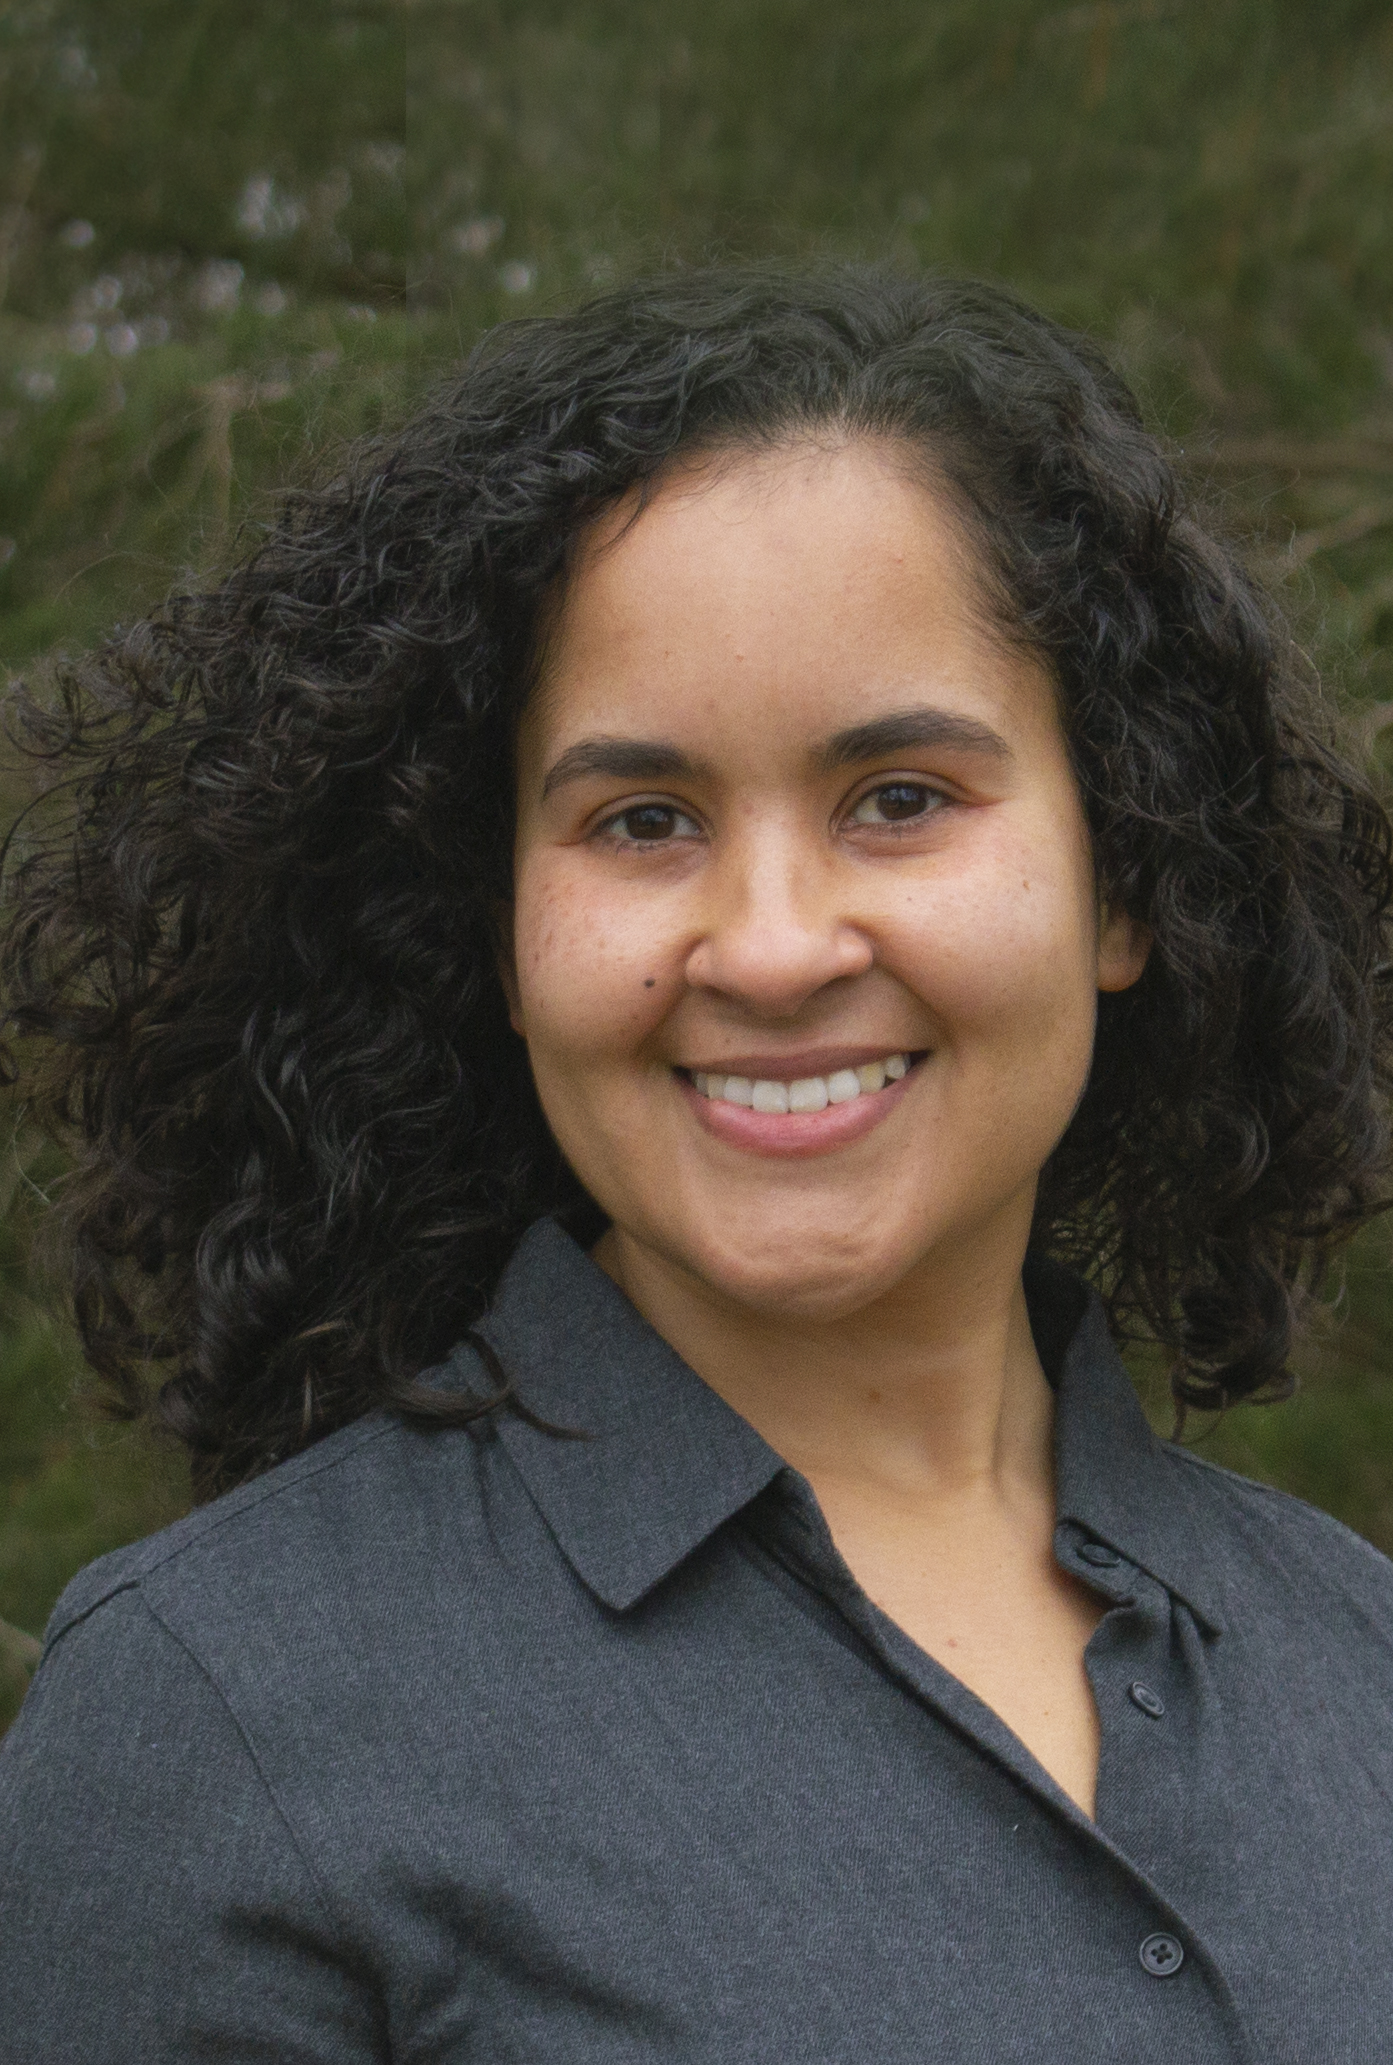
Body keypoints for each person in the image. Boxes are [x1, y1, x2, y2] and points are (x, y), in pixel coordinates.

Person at [0, 267, 1391, 2062]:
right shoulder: (222, 1715)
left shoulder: (1359, 1660)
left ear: (1129, 875)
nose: (772, 943)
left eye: (898, 796)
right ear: (494, 932)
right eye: (640, 821)